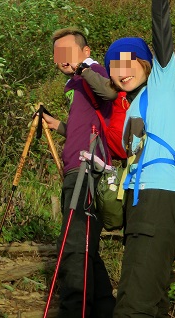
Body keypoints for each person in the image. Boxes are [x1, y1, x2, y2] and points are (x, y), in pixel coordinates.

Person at [103, 0, 175, 318]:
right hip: (146, 206)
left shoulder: (161, 83)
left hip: (160, 201)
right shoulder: (135, 105)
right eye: (115, 64)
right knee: (147, 305)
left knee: (133, 309)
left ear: (145, 63)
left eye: (130, 61)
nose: (122, 70)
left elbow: (162, 30)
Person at [43, 28, 116, 318]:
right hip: (81, 170)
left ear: (85, 52)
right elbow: (84, 128)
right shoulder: (80, 84)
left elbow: (110, 90)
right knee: (86, 249)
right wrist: (55, 125)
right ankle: (105, 310)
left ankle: (73, 311)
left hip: (86, 173)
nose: (62, 59)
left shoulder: (93, 72)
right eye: (58, 54)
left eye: (68, 52)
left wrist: (84, 68)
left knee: (73, 249)